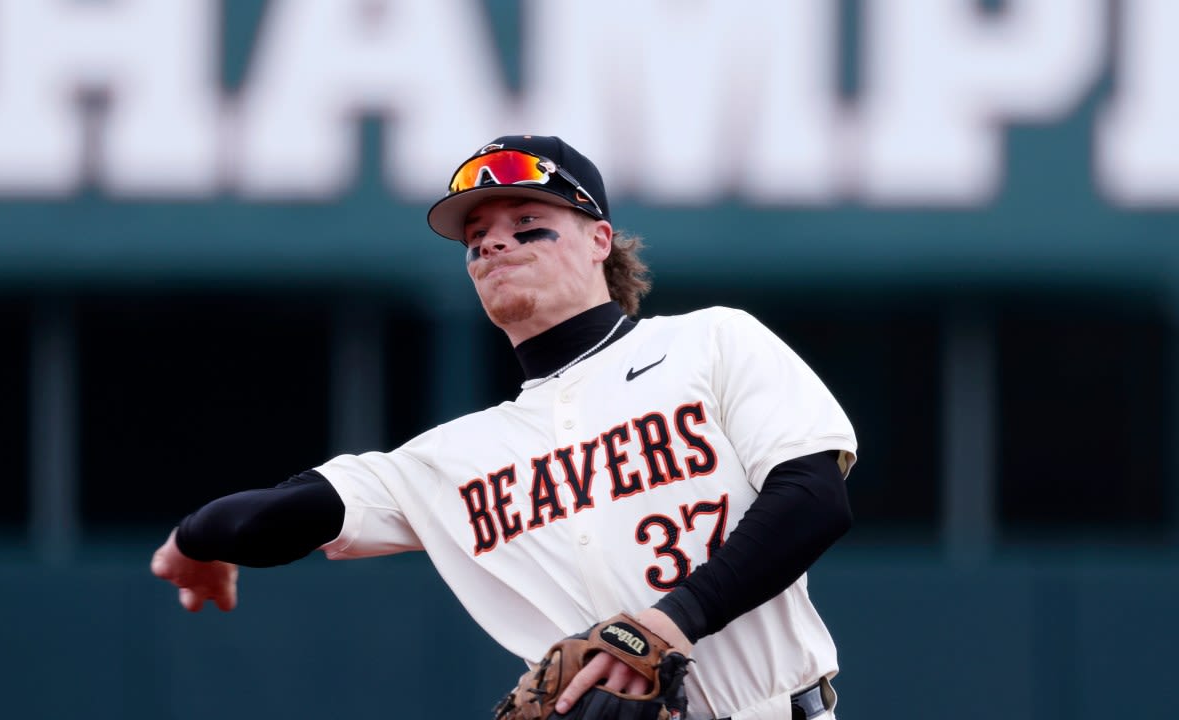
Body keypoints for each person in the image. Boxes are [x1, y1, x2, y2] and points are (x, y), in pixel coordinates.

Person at [151, 135, 857, 720]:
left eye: (527, 225)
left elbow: (812, 497)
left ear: (598, 241)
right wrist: (195, 541)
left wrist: (673, 619)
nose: (493, 246)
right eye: (475, 239)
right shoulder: (455, 457)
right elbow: (285, 513)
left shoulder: (710, 343)